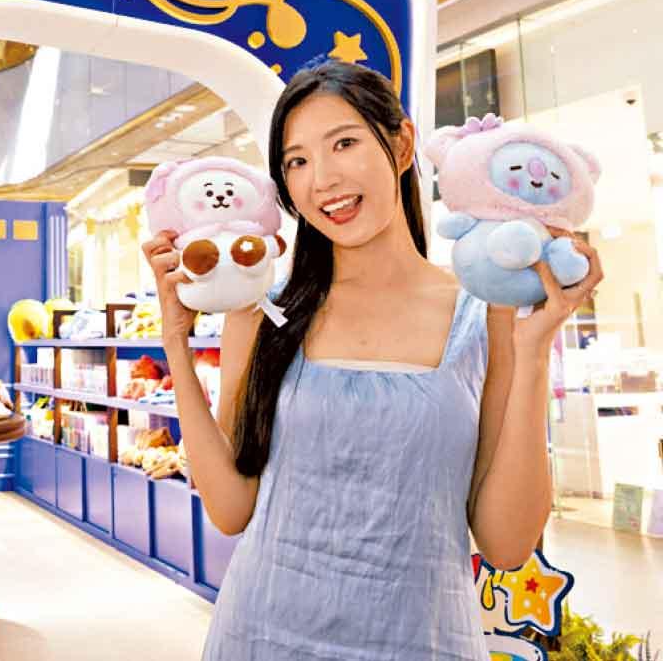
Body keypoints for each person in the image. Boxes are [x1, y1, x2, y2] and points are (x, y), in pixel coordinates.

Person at [141, 61, 601, 659]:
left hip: (423, 641)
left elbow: (507, 543)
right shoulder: (264, 312)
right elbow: (229, 509)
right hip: (262, 634)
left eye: (345, 143)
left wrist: (534, 349)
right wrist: (175, 343)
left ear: (402, 144)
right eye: (297, 161)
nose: (323, 180)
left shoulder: (484, 313)